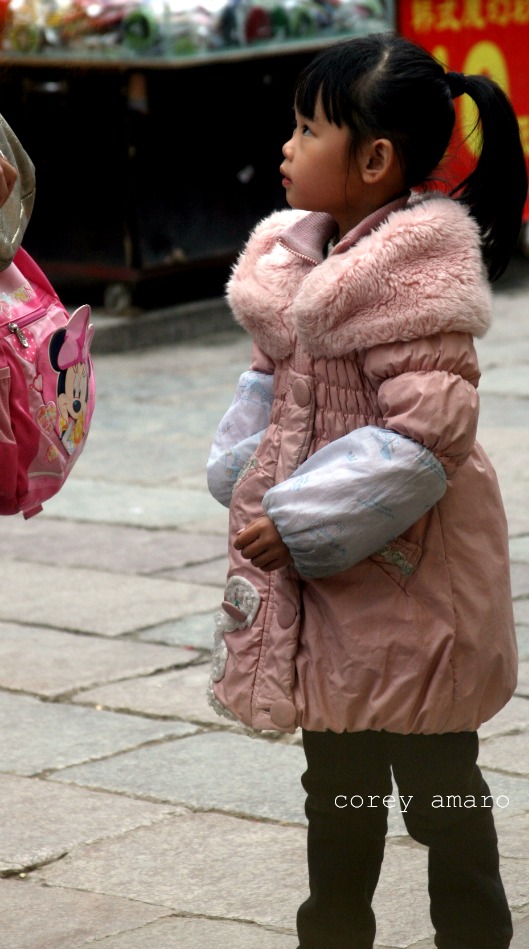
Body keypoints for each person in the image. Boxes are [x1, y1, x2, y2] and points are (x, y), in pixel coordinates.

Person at [206, 32, 527, 949]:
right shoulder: (293, 268)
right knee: (336, 796)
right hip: (332, 588)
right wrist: (242, 482)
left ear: (374, 159)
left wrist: (294, 516)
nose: (287, 146)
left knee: (440, 795)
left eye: (308, 128)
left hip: (416, 584)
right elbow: (263, 396)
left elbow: (424, 436)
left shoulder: (411, 278)